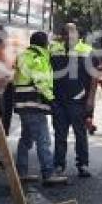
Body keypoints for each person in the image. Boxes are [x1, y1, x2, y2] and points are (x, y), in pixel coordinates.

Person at [13, 31, 68, 186]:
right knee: (43, 140)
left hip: (23, 105)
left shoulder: (24, 55)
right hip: (34, 105)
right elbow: (41, 82)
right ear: (44, 44)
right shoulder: (39, 58)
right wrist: (52, 101)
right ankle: (48, 174)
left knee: (26, 139)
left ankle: (21, 172)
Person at [50, 23, 96, 178]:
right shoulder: (54, 50)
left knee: (80, 134)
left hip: (78, 100)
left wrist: (90, 98)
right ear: (61, 36)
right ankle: (58, 165)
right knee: (59, 134)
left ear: (78, 34)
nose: (69, 35)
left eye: (72, 32)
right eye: (65, 33)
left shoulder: (87, 51)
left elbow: (94, 77)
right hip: (59, 100)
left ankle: (82, 164)